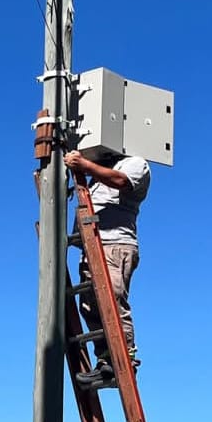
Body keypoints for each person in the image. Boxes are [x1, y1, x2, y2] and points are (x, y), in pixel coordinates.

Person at [65, 148, 151, 390]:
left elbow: (121, 181)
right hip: (93, 246)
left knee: (112, 301)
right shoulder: (97, 173)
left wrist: (84, 165)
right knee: (90, 307)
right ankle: (106, 361)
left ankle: (125, 360)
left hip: (115, 245)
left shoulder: (136, 163)